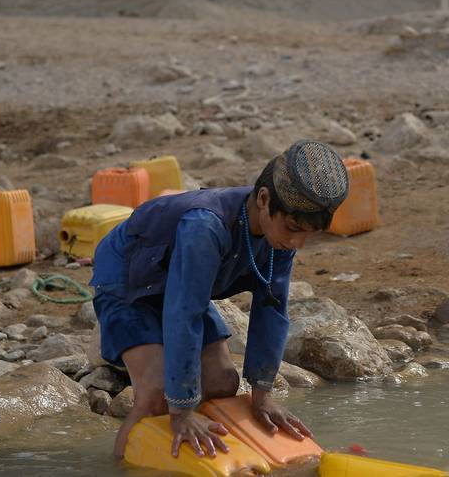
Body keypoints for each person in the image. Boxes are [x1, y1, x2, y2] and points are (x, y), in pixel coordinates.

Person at [89, 140, 350, 460]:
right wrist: (181, 410)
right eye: (294, 228)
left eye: (308, 234)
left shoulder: (279, 240)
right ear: (264, 199)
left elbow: (272, 307)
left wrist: (262, 394)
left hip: (179, 279)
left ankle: (185, 455)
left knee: (223, 382)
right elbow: (185, 314)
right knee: (157, 393)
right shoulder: (205, 226)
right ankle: (122, 464)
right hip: (128, 281)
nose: (297, 242)